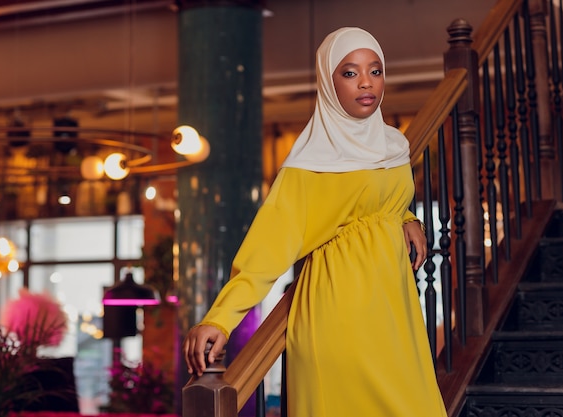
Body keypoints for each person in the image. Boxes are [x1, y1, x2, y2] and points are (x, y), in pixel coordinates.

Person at [183, 27, 447, 417]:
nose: (365, 83)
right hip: (339, 310)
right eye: (349, 72)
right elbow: (265, 252)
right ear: (328, 81)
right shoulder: (308, 165)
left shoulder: (394, 145)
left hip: (395, 309)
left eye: (375, 71)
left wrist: (406, 216)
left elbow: (375, 197)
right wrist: (220, 320)